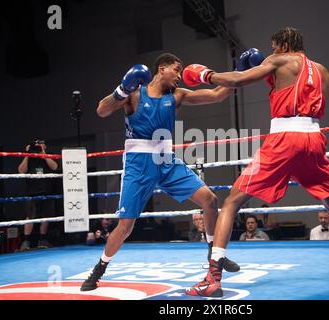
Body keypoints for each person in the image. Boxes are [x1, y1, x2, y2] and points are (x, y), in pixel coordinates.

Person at [183, 27, 329, 297]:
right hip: (314, 139)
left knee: (231, 202)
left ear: (283, 45)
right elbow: (302, 97)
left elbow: (238, 80)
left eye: (274, 47)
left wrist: (206, 74)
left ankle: (213, 279)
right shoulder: (323, 71)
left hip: (284, 139)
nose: (271, 52)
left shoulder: (280, 60)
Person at [80, 53, 240, 291]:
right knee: (125, 225)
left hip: (167, 160)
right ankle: (99, 269)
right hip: (138, 163)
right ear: (161, 69)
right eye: (176, 69)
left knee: (210, 199)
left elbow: (217, 95)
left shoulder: (177, 96)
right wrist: (122, 89)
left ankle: (212, 255)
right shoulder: (134, 93)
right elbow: (102, 110)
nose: (179, 75)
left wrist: (240, 72)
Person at [18, 139, 58, 250]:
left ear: (44, 145)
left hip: (47, 190)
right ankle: (26, 241)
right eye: (36, 145)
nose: (38, 146)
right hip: (32, 191)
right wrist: (27, 154)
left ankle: (43, 240)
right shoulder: (29, 158)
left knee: (46, 216)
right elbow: (21, 171)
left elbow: (54, 167)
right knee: (30, 216)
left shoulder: (47, 156)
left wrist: (43, 153)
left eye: (40, 144)